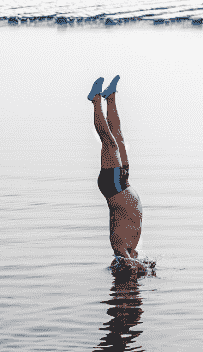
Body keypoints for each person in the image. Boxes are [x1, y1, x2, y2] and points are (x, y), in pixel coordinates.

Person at [87, 76, 146, 273]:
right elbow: (134, 261)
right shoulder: (129, 250)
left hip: (113, 187)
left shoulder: (119, 247)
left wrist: (136, 264)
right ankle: (109, 98)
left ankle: (96, 100)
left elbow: (127, 261)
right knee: (118, 140)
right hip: (122, 185)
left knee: (110, 143)